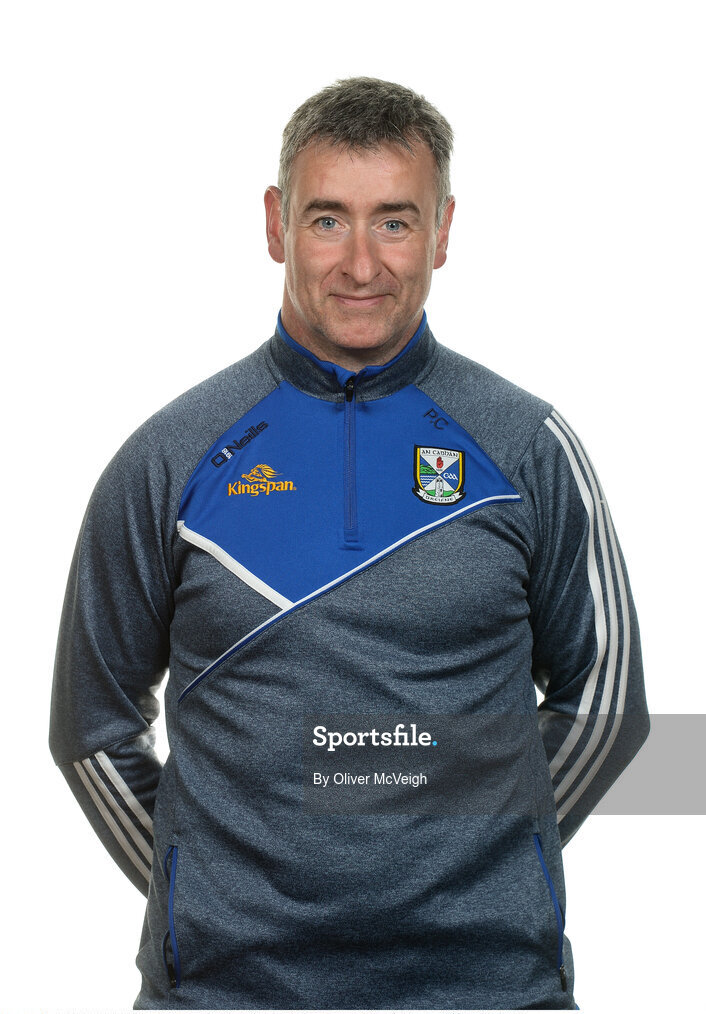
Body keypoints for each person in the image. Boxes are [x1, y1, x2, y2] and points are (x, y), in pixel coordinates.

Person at [49, 76, 649, 1011]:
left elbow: (607, 709)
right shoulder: (169, 457)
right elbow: (89, 730)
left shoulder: (527, 446)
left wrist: (494, 854)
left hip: (488, 989)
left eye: (395, 222)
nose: (361, 264)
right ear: (275, 224)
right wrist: (194, 888)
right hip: (228, 994)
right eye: (328, 220)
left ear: (443, 231)